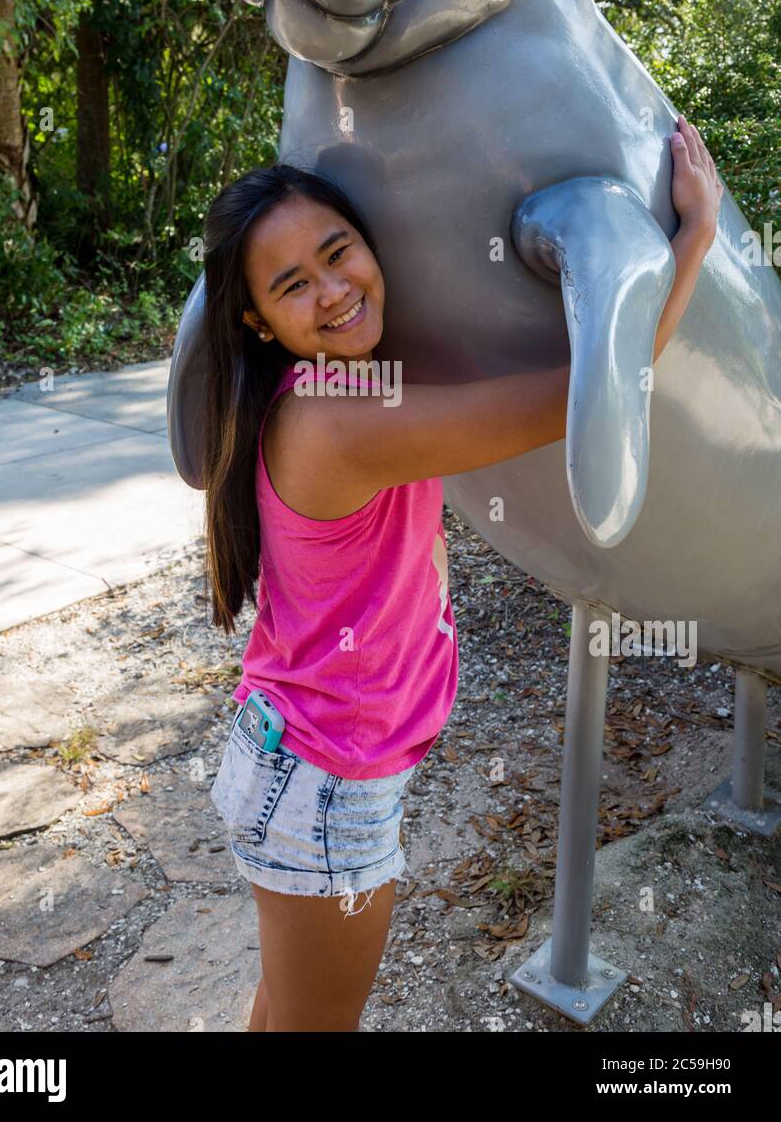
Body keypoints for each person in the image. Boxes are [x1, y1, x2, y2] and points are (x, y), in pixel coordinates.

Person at [200, 114, 722, 1032]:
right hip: (322, 781)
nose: (332, 291)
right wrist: (695, 238)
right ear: (259, 320)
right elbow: (593, 393)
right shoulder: (336, 419)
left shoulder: (325, 392)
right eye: (292, 285)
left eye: (340, 251)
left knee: (287, 1009)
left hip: (296, 756)